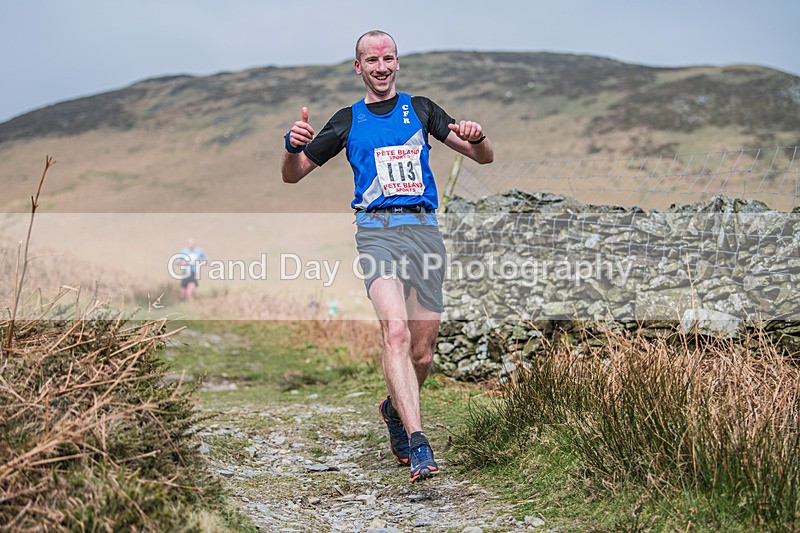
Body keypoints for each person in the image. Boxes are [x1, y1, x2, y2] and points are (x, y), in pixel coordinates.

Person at [281, 30, 494, 482]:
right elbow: (293, 175)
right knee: (395, 331)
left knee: (422, 353)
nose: (381, 66)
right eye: (371, 60)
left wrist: (478, 138)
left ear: (397, 62)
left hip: (424, 232)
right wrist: (292, 147)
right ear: (358, 67)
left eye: (388, 58)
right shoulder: (347, 120)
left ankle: (395, 410)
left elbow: (483, 158)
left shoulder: (421, 109)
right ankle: (419, 443)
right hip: (376, 234)